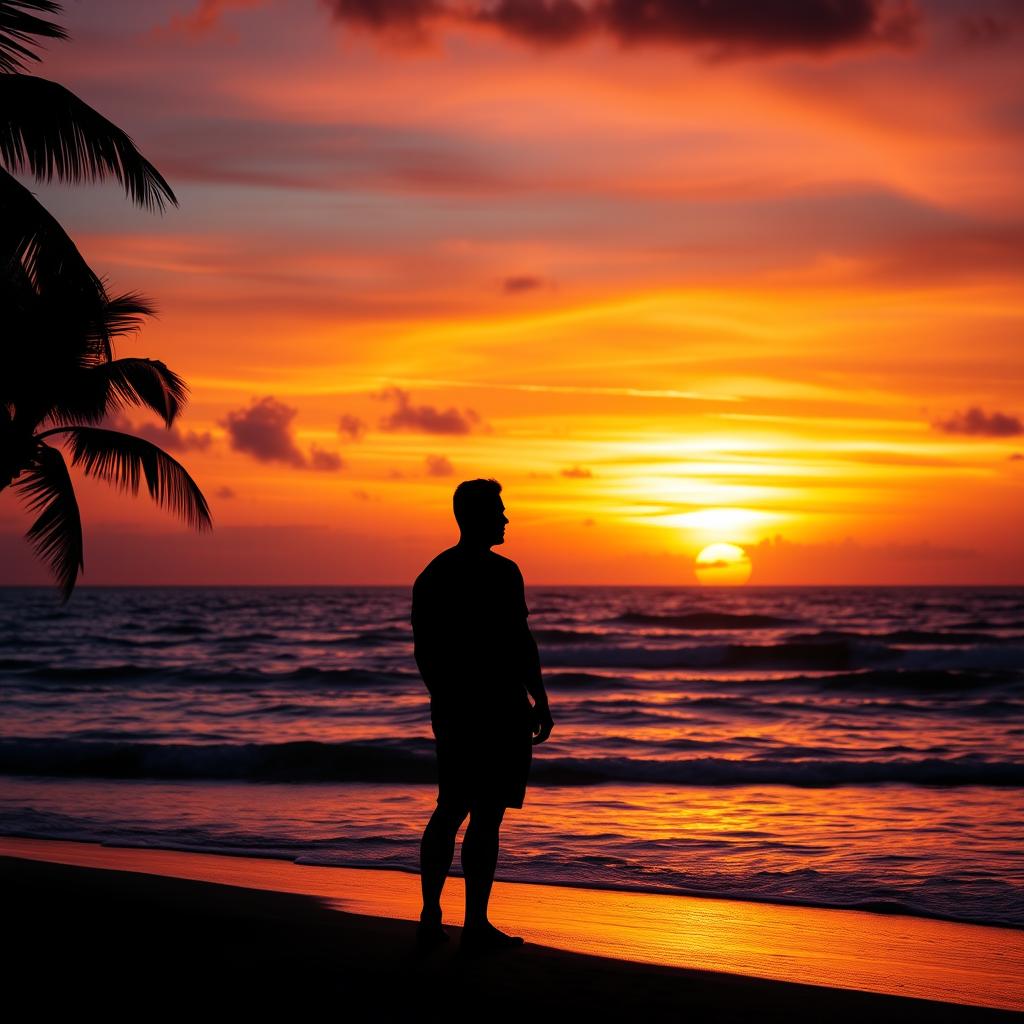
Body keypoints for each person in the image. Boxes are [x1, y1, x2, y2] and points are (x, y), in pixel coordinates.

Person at [411, 478, 553, 953]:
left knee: (483, 814)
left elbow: (519, 641)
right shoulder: (440, 576)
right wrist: (452, 704)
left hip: (500, 708)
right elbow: (429, 652)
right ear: (475, 516)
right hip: (470, 710)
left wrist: (539, 698)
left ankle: (471, 923)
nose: (506, 518)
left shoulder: (501, 572)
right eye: (498, 510)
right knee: (455, 809)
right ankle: (435, 916)